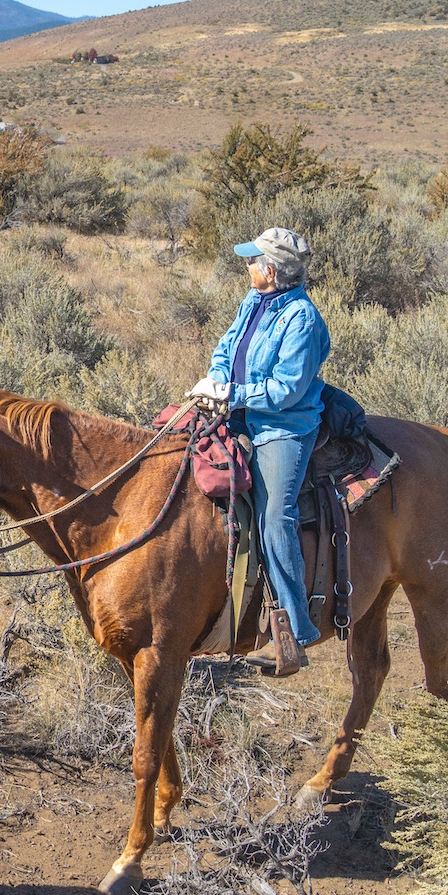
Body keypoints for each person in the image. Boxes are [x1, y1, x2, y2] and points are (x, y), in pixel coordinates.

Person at [186, 227, 331, 677]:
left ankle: (293, 631)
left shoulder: (303, 319)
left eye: (252, 261)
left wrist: (234, 394)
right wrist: (215, 380)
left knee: (275, 516)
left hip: (282, 428)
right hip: (240, 410)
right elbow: (227, 347)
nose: (246, 265)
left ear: (269, 270)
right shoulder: (254, 300)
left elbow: (287, 391)